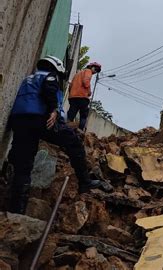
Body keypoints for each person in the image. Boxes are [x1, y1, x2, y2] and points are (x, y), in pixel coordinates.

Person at [7, 56, 102, 214]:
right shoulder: (50, 76)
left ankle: (17, 210)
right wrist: (54, 109)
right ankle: (85, 181)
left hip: (19, 122)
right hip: (41, 120)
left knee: (23, 166)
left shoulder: (28, 79)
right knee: (73, 142)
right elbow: (50, 89)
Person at [67, 62, 102, 130]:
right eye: (95, 69)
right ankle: (80, 132)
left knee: (71, 115)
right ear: (91, 67)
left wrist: (71, 95)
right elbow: (86, 83)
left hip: (73, 97)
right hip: (82, 97)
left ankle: (66, 129)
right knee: (83, 116)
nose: (95, 71)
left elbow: (71, 86)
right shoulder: (88, 71)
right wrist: (89, 92)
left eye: (97, 71)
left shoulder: (78, 74)